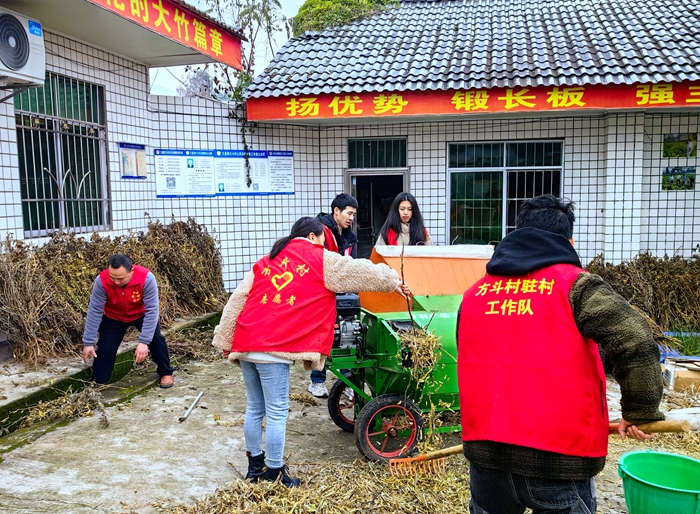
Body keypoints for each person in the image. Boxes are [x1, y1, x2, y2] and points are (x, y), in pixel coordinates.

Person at [456, 194, 664, 514]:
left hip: (487, 458)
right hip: (558, 460)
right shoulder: (577, 286)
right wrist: (640, 410)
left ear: (519, 233)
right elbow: (634, 338)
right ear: (569, 242)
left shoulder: (474, 295)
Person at [212, 217, 406, 487]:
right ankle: (275, 472)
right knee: (277, 411)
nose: (324, 244)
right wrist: (392, 279)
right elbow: (360, 270)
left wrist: (225, 339)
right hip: (274, 346)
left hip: (246, 341)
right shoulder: (319, 258)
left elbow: (236, 300)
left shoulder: (267, 260)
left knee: (255, 408)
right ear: (314, 237)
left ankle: (254, 469)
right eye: (323, 240)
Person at [82, 254, 174, 387]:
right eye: (112, 278)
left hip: (141, 315)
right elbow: (95, 311)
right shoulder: (101, 281)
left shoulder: (146, 278)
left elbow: (152, 310)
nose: (116, 282)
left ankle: (166, 372)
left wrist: (144, 342)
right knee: (105, 349)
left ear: (131, 270)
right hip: (114, 317)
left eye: (120, 279)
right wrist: (88, 342)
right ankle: (98, 383)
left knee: (157, 340)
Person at [308, 193, 359, 397]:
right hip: (321, 292)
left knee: (346, 334)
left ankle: (346, 383)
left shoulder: (348, 236)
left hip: (342, 291)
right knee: (322, 336)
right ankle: (317, 381)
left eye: (354, 215)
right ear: (336, 211)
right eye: (349, 213)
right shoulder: (320, 232)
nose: (351, 218)